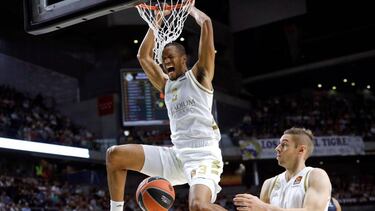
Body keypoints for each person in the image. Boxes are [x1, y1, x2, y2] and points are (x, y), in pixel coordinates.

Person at [106, 5, 227, 211]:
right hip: (176, 156)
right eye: (163, 59)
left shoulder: (200, 75)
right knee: (114, 155)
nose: (165, 61)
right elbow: (143, 57)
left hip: (203, 156)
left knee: (198, 206)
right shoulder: (166, 84)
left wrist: (191, 9)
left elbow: (206, 24)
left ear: (184, 59)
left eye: (170, 57)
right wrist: (157, 20)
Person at [233, 127, 332, 211]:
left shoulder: (316, 175)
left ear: (301, 150)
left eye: (284, 144)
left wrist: (265, 207)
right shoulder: (269, 183)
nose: (277, 148)